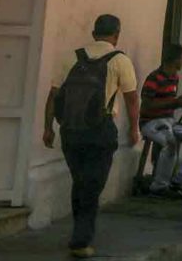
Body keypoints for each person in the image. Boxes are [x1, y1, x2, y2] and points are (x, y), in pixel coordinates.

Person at [42, 14, 139, 259]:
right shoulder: (120, 60)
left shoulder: (72, 56)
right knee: (92, 185)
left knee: (81, 181)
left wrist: (48, 127)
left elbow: (53, 95)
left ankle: (79, 233)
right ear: (116, 35)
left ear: (94, 33)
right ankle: (81, 240)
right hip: (100, 130)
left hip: (71, 130)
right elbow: (131, 98)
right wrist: (134, 128)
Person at [139, 43, 182, 196]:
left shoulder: (174, 78)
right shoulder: (154, 78)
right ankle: (159, 186)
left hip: (167, 120)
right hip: (150, 121)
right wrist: (174, 102)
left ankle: (176, 179)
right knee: (171, 142)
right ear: (174, 60)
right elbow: (146, 106)